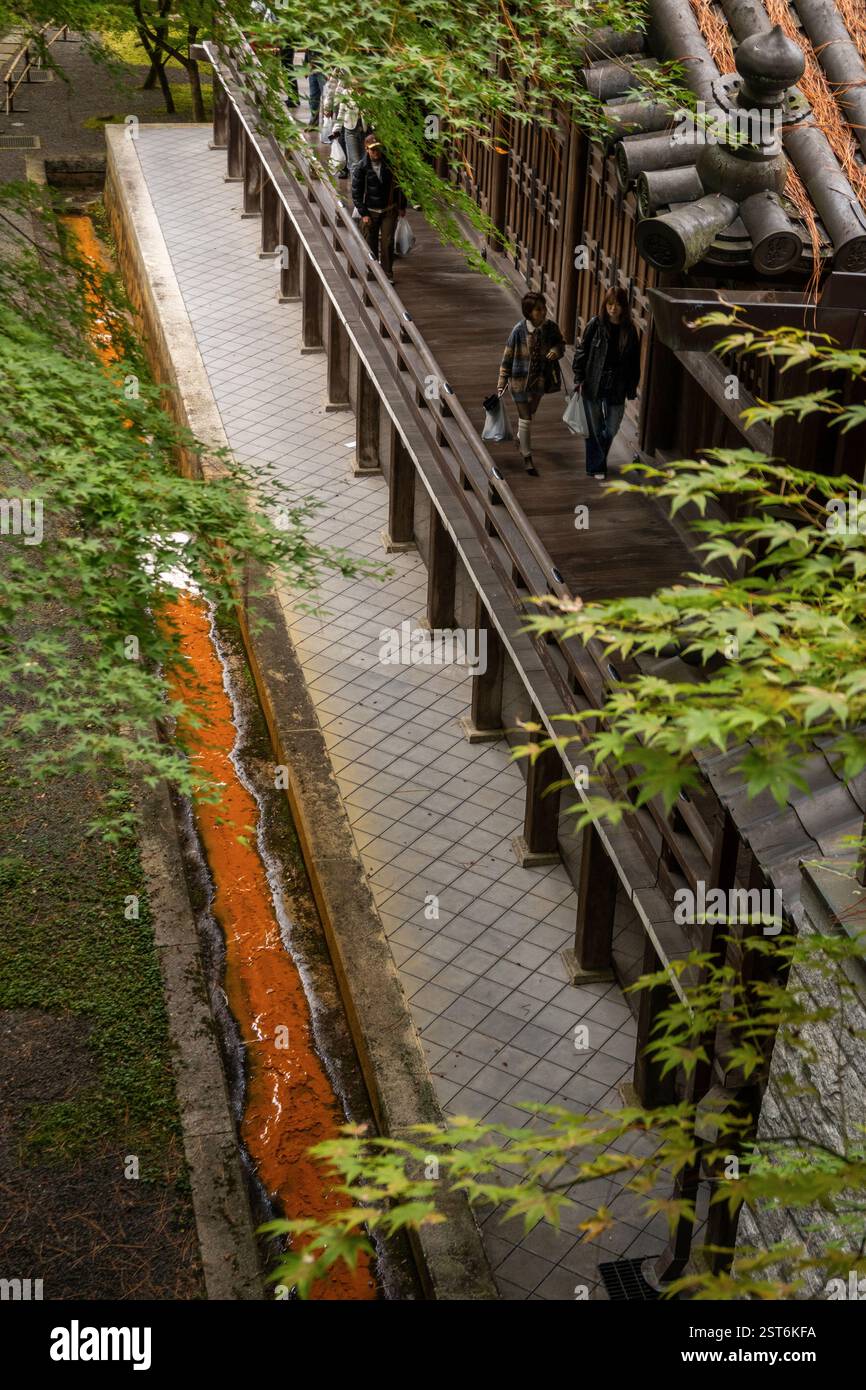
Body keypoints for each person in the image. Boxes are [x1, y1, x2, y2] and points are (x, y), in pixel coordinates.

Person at [572, 286, 640, 481]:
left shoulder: (630, 330)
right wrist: (579, 378)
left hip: (617, 385)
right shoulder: (596, 325)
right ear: (605, 305)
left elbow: (634, 362)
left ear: (624, 307)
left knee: (610, 427)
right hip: (593, 382)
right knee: (594, 427)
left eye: (617, 304)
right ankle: (596, 467)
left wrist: (631, 387)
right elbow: (582, 351)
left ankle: (597, 461)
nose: (613, 309)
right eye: (610, 304)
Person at [496, 292, 565, 476]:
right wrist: (502, 380)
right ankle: (527, 458)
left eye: (543, 309)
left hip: (540, 381)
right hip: (518, 380)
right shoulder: (518, 330)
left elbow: (561, 344)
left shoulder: (550, 328)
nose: (543, 313)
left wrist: (556, 350)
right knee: (525, 417)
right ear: (529, 312)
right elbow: (507, 356)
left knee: (531, 412)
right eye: (538, 310)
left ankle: (521, 437)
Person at [351, 133, 407, 284]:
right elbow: (356, 193)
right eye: (373, 150)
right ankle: (373, 271)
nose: (376, 153)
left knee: (387, 242)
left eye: (378, 149)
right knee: (371, 241)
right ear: (366, 149)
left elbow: (400, 187)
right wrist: (363, 213)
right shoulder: (361, 168)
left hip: (389, 209)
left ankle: (388, 274)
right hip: (370, 211)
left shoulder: (390, 164)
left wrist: (402, 206)